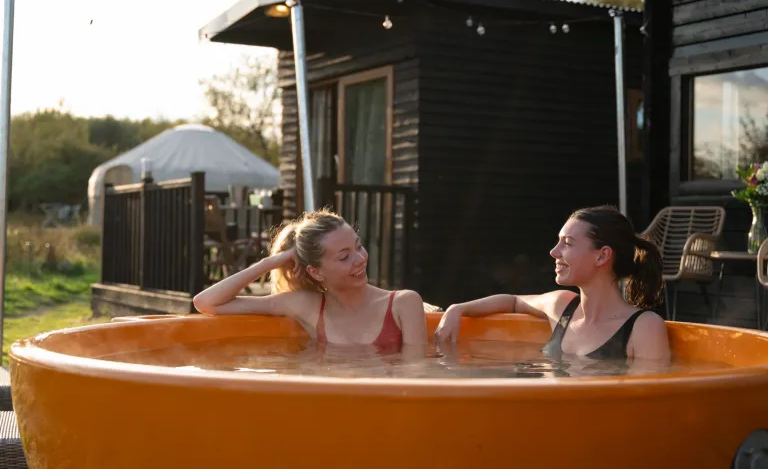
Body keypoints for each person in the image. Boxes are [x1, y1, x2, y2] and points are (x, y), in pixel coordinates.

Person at [435, 205, 671, 363]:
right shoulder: (562, 307)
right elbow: (514, 301)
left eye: (567, 243)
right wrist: (458, 308)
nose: (553, 252)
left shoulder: (644, 328)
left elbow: (650, 403)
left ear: (602, 256)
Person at [193, 208, 427, 351]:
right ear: (316, 272)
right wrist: (270, 262)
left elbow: (413, 376)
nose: (360, 259)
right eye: (344, 257)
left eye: (359, 246)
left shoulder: (404, 304)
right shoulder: (306, 305)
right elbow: (206, 303)